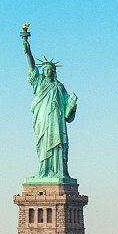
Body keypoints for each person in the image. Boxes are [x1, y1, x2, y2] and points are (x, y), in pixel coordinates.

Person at [21, 27, 78, 180]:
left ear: (53, 72)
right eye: (44, 69)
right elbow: (32, 66)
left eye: (49, 70)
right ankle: (44, 171)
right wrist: (26, 47)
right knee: (43, 145)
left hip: (56, 120)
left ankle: (59, 171)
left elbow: (67, 109)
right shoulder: (38, 82)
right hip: (42, 119)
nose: (46, 72)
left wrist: (71, 105)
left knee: (58, 144)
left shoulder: (59, 87)